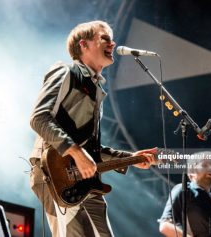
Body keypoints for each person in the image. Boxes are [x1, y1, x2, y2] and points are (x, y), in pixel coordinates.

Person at [29, 20, 157, 237]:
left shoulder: (96, 88)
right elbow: (38, 118)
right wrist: (77, 154)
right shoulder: (67, 72)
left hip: (87, 182)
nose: (113, 43)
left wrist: (132, 158)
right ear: (84, 45)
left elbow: (92, 151)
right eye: (104, 38)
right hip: (56, 173)